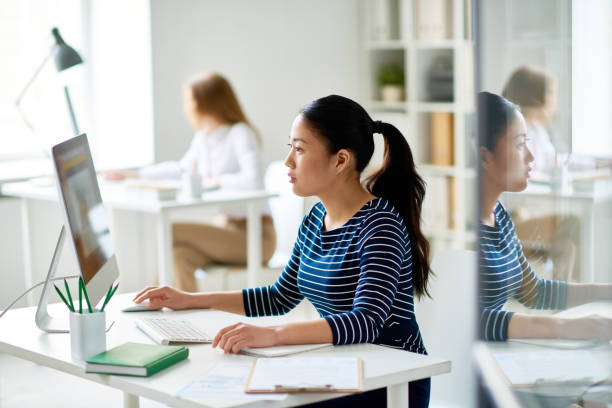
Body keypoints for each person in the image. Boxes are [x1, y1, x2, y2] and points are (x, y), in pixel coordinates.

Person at [133, 95, 433, 407]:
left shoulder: (380, 225)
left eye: (300, 149)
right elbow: (279, 296)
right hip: (345, 367)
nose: (289, 161)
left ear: (340, 161)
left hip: (390, 382)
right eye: (289, 147)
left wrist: (272, 335)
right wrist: (191, 300)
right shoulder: (315, 219)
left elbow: (365, 321)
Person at [104, 72, 276, 292]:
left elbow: (252, 180)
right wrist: (134, 174)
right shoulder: (204, 137)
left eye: (190, 100)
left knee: (170, 229)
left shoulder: (240, 133)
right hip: (225, 228)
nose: (187, 107)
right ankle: (186, 317)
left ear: (205, 103)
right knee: (178, 255)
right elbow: (180, 169)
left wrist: (216, 181)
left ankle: (153, 301)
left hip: (256, 237)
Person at [477, 91, 612, 342]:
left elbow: (533, 292)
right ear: (485, 156)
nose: (530, 156)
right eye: (519, 145)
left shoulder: (500, 217)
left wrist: (606, 292)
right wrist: (563, 327)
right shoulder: (465, 231)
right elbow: (471, 320)